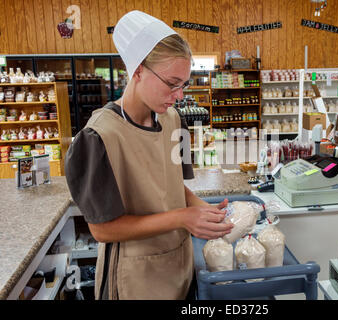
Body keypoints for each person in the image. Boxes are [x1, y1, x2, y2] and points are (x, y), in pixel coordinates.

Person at [65, 11, 234, 300]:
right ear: (138, 70)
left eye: (184, 84)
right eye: (172, 83)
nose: (179, 95)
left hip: (179, 266)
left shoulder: (172, 121)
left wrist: (201, 209)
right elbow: (102, 229)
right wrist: (183, 217)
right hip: (134, 277)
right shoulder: (100, 137)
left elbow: (169, 185)